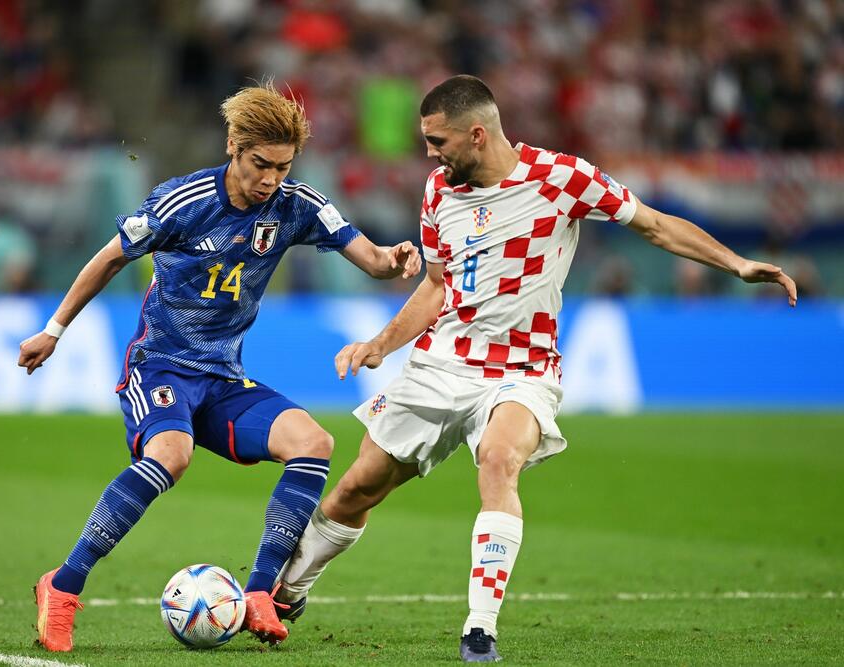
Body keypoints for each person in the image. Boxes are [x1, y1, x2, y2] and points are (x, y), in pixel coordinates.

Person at [271, 75, 798, 663]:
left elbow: (653, 224)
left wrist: (738, 263)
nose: (429, 153)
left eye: (437, 140)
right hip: (443, 363)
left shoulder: (562, 178)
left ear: (477, 134)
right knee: (356, 488)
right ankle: (286, 592)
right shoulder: (438, 191)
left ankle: (480, 629)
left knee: (499, 459)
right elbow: (437, 286)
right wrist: (381, 343)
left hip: (523, 370)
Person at [17, 83, 422, 652]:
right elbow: (110, 258)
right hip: (159, 368)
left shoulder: (298, 206)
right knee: (171, 456)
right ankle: (62, 585)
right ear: (233, 145)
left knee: (314, 441)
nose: (270, 180)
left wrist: (395, 259)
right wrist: (53, 331)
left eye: (282, 167)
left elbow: (373, 259)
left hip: (223, 378)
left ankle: (259, 593)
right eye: (261, 164)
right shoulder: (182, 202)